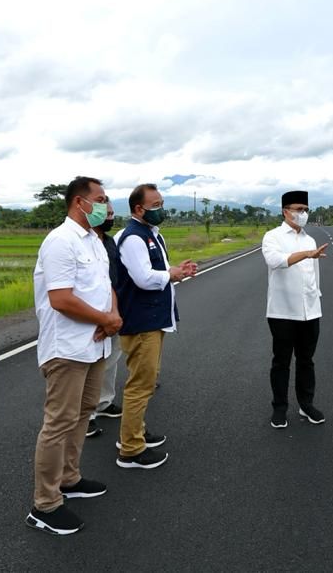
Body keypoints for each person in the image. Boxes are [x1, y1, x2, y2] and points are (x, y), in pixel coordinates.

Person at [27, 177, 122, 536]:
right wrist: (106, 319)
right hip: (66, 349)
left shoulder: (95, 241)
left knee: (84, 413)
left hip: (94, 345)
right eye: (100, 199)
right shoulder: (60, 241)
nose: (105, 204)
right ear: (79, 202)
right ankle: (45, 503)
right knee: (59, 422)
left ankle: (69, 477)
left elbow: (106, 285)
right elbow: (61, 299)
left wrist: (112, 317)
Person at [115, 183, 196, 469]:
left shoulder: (151, 234)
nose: (162, 209)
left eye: (162, 203)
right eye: (156, 205)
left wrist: (175, 273)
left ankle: (135, 431)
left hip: (153, 318)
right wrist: (170, 274)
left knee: (145, 381)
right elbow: (143, 278)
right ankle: (131, 449)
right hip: (141, 321)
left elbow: (157, 274)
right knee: (140, 384)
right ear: (139, 209)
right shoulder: (134, 238)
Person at [261, 190, 329, 428]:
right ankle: (279, 408)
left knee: (306, 361)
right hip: (282, 311)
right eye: (298, 209)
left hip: (310, 310)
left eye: (305, 209)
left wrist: (316, 296)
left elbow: (314, 275)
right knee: (281, 361)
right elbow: (276, 262)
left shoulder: (309, 239)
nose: (303, 214)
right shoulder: (273, 237)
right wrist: (307, 254)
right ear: (285, 211)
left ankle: (306, 404)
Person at [87, 200, 123, 439]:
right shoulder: (80, 243)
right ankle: (86, 415)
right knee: (88, 367)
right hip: (89, 316)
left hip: (113, 312)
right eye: (105, 212)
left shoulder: (108, 242)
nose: (109, 217)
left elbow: (115, 279)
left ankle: (104, 403)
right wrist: (101, 316)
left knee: (111, 359)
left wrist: (115, 314)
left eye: (111, 213)